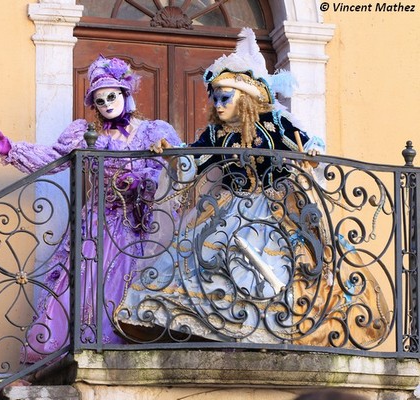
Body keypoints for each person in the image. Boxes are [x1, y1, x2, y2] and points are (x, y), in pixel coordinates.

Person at [117, 28, 389, 346]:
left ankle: (272, 329)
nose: (218, 105)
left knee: (280, 266)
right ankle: (216, 325)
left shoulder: (273, 125)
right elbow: (196, 158)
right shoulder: (216, 135)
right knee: (203, 259)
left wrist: (312, 150)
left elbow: (303, 144)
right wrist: (174, 155)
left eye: (225, 98)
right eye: (215, 99)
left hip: (275, 207)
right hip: (230, 205)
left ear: (245, 98)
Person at [0, 55, 182, 359]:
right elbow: (54, 157)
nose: (106, 104)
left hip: (140, 224)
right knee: (87, 280)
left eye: (112, 96)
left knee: (133, 280)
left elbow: (176, 168)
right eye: (100, 100)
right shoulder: (88, 135)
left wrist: (142, 181)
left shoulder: (153, 132)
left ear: (126, 94)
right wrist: (12, 150)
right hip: (98, 222)